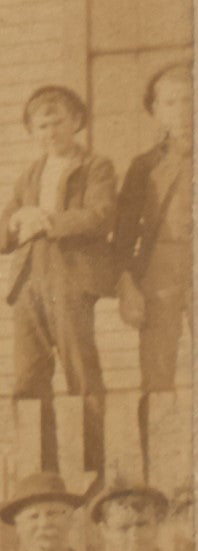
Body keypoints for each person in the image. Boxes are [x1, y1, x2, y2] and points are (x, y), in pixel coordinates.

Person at [0, 85, 116, 472]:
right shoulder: (29, 175)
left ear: (76, 121)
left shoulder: (95, 166)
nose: (49, 133)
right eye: (41, 126)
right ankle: (39, 473)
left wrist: (47, 222)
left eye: (57, 123)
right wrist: (13, 224)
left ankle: (91, 470)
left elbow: (100, 216)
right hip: (29, 280)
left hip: (69, 277)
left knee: (80, 372)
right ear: (32, 131)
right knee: (28, 378)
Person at [114, 63, 192, 470]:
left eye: (189, 99)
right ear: (156, 110)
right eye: (171, 101)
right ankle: (161, 472)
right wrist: (127, 283)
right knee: (158, 374)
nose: (182, 109)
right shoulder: (144, 166)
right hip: (162, 266)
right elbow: (125, 234)